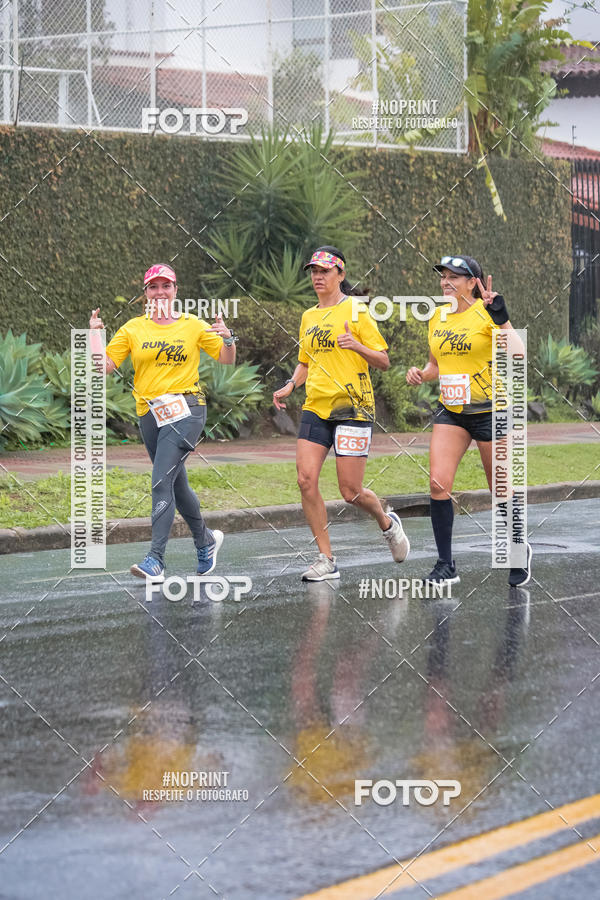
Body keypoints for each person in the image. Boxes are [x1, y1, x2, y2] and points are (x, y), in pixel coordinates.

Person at [89, 263, 236, 582]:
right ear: (145, 294)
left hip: (187, 408)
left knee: (160, 481)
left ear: (175, 291)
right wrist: (94, 336)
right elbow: (105, 367)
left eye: (165, 286)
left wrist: (227, 339)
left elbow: (227, 359)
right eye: (153, 287)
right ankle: (206, 541)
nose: (160, 292)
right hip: (149, 414)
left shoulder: (192, 325)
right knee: (175, 483)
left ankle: (155, 559)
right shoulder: (132, 329)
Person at [273, 246, 409, 581]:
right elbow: (306, 361)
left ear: (341, 275)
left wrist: (356, 346)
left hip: (353, 407)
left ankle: (387, 522)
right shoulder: (309, 317)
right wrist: (291, 384)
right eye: (314, 272)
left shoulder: (356, 311)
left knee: (350, 492)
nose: (318, 277)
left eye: (325, 271)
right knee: (305, 480)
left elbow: (383, 360)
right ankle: (326, 558)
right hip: (316, 406)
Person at [406, 255, 531, 587]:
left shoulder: (486, 314)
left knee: (500, 488)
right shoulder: (438, 317)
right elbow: (436, 364)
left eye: (454, 277)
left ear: (473, 282)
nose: (445, 282)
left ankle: (517, 549)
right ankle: (446, 565)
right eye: (443, 276)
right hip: (453, 411)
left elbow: (517, 354)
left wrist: (502, 319)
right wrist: (422, 373)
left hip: (492, 410)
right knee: (437, 483)